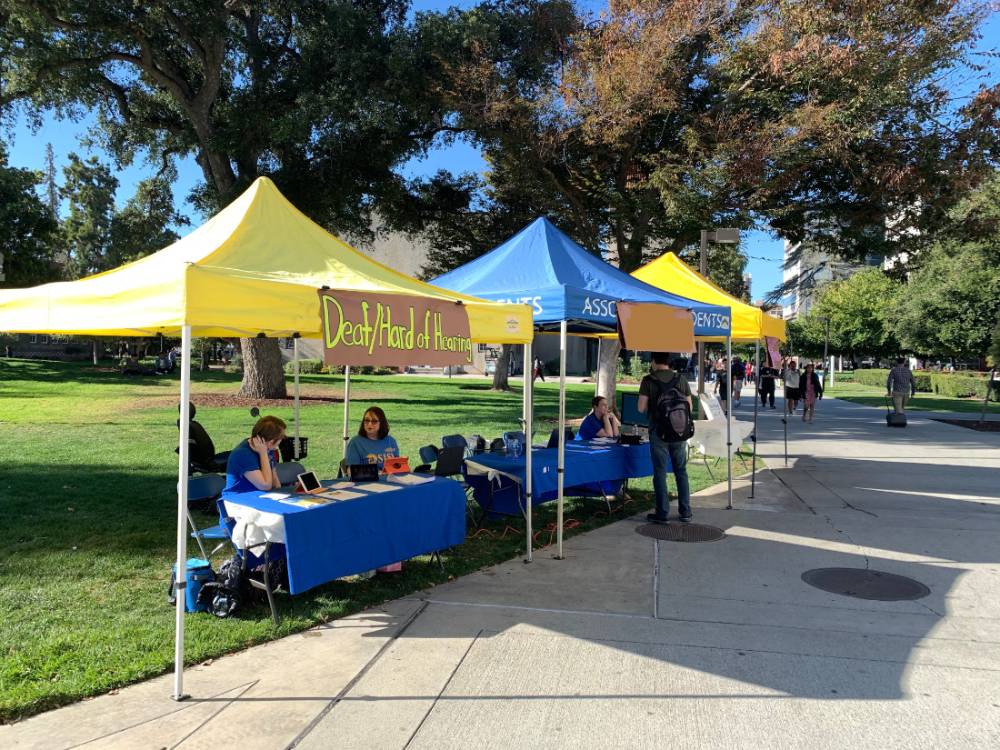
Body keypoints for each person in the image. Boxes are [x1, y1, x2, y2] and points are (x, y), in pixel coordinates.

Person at [638, 352, 692, 524]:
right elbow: (689, 406)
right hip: (679, 431)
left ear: (654, 361)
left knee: (660, 472)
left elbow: (641, 408)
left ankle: (662, 512)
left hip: (658, 431)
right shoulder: (680, 379)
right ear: (668, 362)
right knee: (681, 471)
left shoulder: (648, 380)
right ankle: (686, 511)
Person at [224, 416, 287, 494]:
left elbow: (275, 484)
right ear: (271, 441)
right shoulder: (242, 454)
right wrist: (263, 454)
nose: (282, 440)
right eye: (281, 437)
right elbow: (265, 486)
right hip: (237, 500)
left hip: (259, 496)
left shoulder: (269, 448)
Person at [346, 406, 400, 470]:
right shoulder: (355, 443)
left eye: (374, 421)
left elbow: (397, 466)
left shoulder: (391, 441)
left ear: (382, 423)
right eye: (366, 420)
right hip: (367, 479)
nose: (369, 424)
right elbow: (351, 471)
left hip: (390, 479)